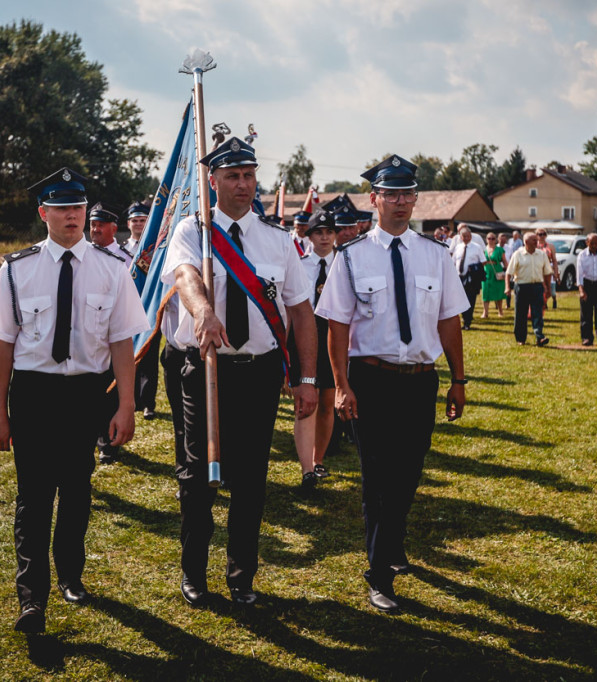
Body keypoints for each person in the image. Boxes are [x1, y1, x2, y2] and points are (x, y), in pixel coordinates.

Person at [0, 168, 148, 634]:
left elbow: (121, 344)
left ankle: (71, 573)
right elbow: (2, 348)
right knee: (33, 497)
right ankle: (32, 598)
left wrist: (126, 405)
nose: (72, 215)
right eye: (61, 207)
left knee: (76, 490)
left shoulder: (112, 270)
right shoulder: (17, 269)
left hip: (85, 394)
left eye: (78, 207)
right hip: (33, 393)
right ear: (43, 213)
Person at [162, 137, 318, 607]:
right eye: (232, 176)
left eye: (249, 175)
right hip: (205, 368)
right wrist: (203, 310)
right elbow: (186, 276)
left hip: (259, 372)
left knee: (251, 478)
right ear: (213, 181)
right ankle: (194, 574)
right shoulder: (193, 231)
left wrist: (307, 379)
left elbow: (302, 313)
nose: (244, 184)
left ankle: (241, 576)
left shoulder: (277, 240)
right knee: (197, 475)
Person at [317, 154, 468, 614]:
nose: (401, 202)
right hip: (371, 380)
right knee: (378, 478)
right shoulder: (351, 257)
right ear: (374, 199)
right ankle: (379, 573)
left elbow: (449, 320)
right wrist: (341, 385)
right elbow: (337, 325)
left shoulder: (435, 255)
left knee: (407, 473)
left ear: (415, 200)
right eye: (392, 194)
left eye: (408, 194)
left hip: (419, 382)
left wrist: (458, 380)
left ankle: (393, 543)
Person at [291, 209, 338, 494]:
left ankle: (318, 459)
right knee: (306, 403)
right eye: (318, 232)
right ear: (308, 236)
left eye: (329, 232)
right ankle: (306, 468)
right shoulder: (299, 265)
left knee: (327, 402)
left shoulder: (345, 264)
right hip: (304, 337)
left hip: (334, 336)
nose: (324, 237)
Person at [85, 202, 133, 464]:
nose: (95, 229)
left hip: (116, 333)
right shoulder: (84, 256)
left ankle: (108, 443)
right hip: (91, 336)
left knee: (112, 390)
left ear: (114, 228)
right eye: (92, 224)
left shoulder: (125, 259)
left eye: (100, 225)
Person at [122, 201, 160, 421]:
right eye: (135, 220)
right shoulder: (122, 250)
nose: (138, 224)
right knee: (128, 353)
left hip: (150, 308)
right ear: (128, 224)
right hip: (128, 308)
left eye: (142, 220)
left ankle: (148, 402)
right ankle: (133, 397)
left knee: (149, 354)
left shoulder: (154, 250)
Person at [505, 232, 552, 346]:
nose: (537, 242)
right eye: (534, 241)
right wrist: (507, 287)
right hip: (522, 286)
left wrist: (548, 288)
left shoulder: (541, 255)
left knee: (538, 313)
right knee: (521, 313)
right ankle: (521, 338)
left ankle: (539, 336)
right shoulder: (518, 254)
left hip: (537, 286)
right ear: (526, 242)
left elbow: (547, 273)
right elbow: (509, 273)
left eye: (536, 240)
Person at [450, 225, 484, 330]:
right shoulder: (458, 247)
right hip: (459, 277)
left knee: (470, 299)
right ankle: (464, 318)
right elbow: (453, 261)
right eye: (464, 236)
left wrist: (474, 268)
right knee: (460, 299)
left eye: (468, 236)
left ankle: (467, 322)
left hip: (471, 278)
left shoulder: (477, 247)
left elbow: (483, 262)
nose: (466, 238)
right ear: (460, 237)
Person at [480, 231, 508, 318]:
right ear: (486, 239)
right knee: (486, 292)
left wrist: (508, 272)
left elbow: (504, 261)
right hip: (486, 272)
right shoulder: (483, 249)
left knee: (499, 292)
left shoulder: (500, 249)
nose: (491, 240)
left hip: (497, 271)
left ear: (496, 240)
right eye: (489, 238)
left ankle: (500, 311)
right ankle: (485, 312)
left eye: (493, 238)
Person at [535, 229, 559, 309]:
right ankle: (544, 304)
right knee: (541, 288)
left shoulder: (550, 246)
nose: (542, 236)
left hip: (548, 270)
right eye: (540, 234)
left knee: (551, 290)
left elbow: (554, 260)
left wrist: (556, 272)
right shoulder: (535, 246)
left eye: (544, 234)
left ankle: (554, 300)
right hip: (538, 270)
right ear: (536, 235)